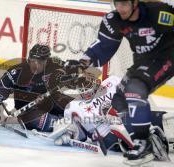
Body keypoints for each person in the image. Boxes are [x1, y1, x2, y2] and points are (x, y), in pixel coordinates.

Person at [68, 0, 174, 163]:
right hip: (142, 63)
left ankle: (143, 144)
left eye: (124, 4)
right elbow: (103, 47)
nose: (120, 8)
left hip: (166, 59)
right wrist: (81, 64)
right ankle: (144, 140)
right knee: (119, 99)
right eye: (117, 3)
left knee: (135, 89)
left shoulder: (159, 12)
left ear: (135, 3)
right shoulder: (114, 20)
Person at [52, 72, 171, 160]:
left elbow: (132, 94)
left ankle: (157, 137)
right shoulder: (73, 106)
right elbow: (81, 134)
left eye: (89, 84)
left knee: (159, 119)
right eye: (82, 88)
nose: (87, 90)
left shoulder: (112, 82)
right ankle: (145, 145)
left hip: (127, 117)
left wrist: (122, 111)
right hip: (108, 136)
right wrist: (70, 133)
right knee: (117, 128)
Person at [0, 44, 77, 131]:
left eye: (40, 62)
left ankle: (80, 121)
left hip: (51, 100)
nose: (36, 65)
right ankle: (62, 124)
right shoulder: (17, 71)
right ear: (29, 59)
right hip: (28, 109)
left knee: (75, 106)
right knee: (33, 119)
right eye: (33, 61)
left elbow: (72, 71)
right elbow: (1, 87)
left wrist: (73, 73)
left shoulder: (53, 65)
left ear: (46, 61)